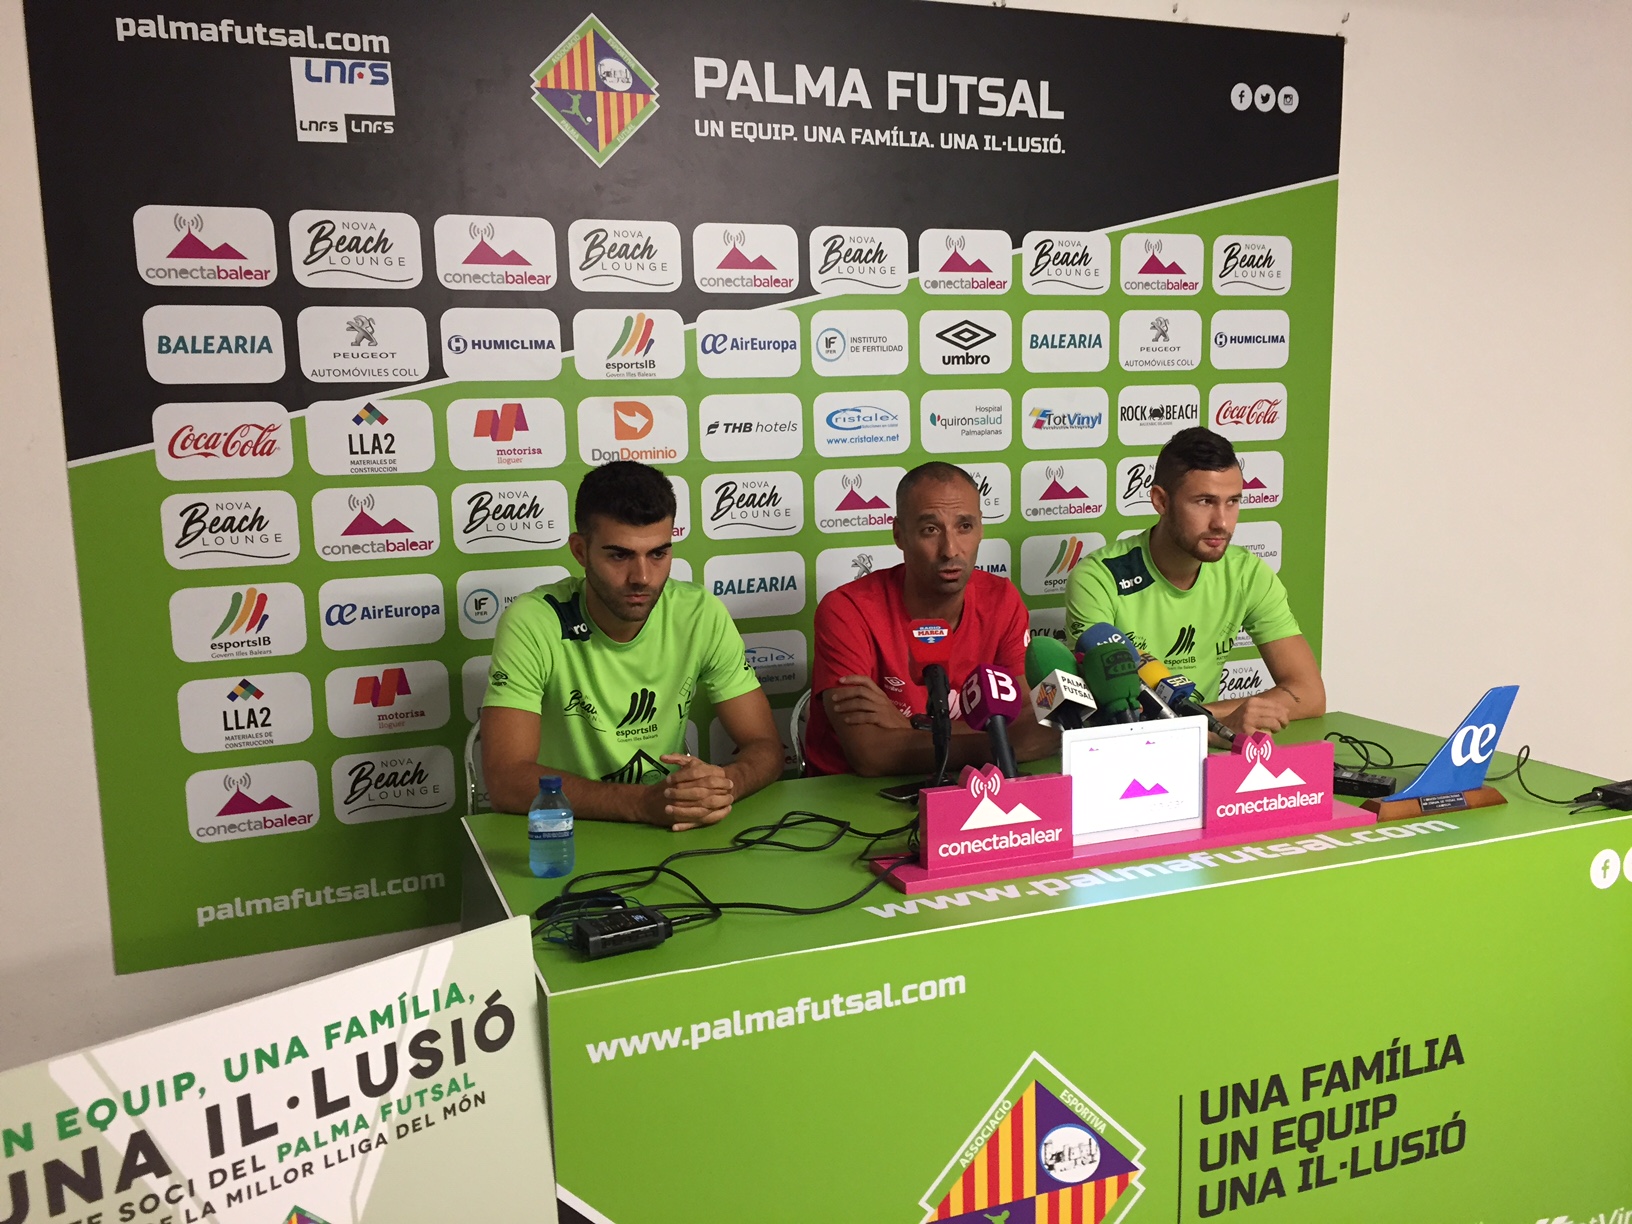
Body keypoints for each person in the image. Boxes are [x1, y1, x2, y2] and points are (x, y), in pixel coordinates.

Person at [481, 461, 784, 830]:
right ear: (580, 551)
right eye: (619, 555)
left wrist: (722, 786)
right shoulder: (535, 620)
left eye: (658, 554)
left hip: (667, 828)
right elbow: (506, 780)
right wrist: (642, 803)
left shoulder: (698, 612)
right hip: (563, 833)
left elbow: (765, 747)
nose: (641, 577)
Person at [1065, 426, 1325, 738]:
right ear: (1161, 501)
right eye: (1204, 501)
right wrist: (1209, 726)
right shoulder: (1099, 578)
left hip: (1207, 752)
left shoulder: (1247, 573)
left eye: (1233, 501)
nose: (1222, 522)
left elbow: (1309, 694)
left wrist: (1203, 720)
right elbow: (1106, 717)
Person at [806, 462, 1058, 777]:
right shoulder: (846, 610)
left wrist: (911, 726)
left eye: (964, 526)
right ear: (899, 534)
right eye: (930, 530)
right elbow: (870, 755)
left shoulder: (1002, 599)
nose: (950, 550)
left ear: (980, 529)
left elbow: (1028, 718)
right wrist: (1003, 745)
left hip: (970, 785)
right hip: (848, 794)